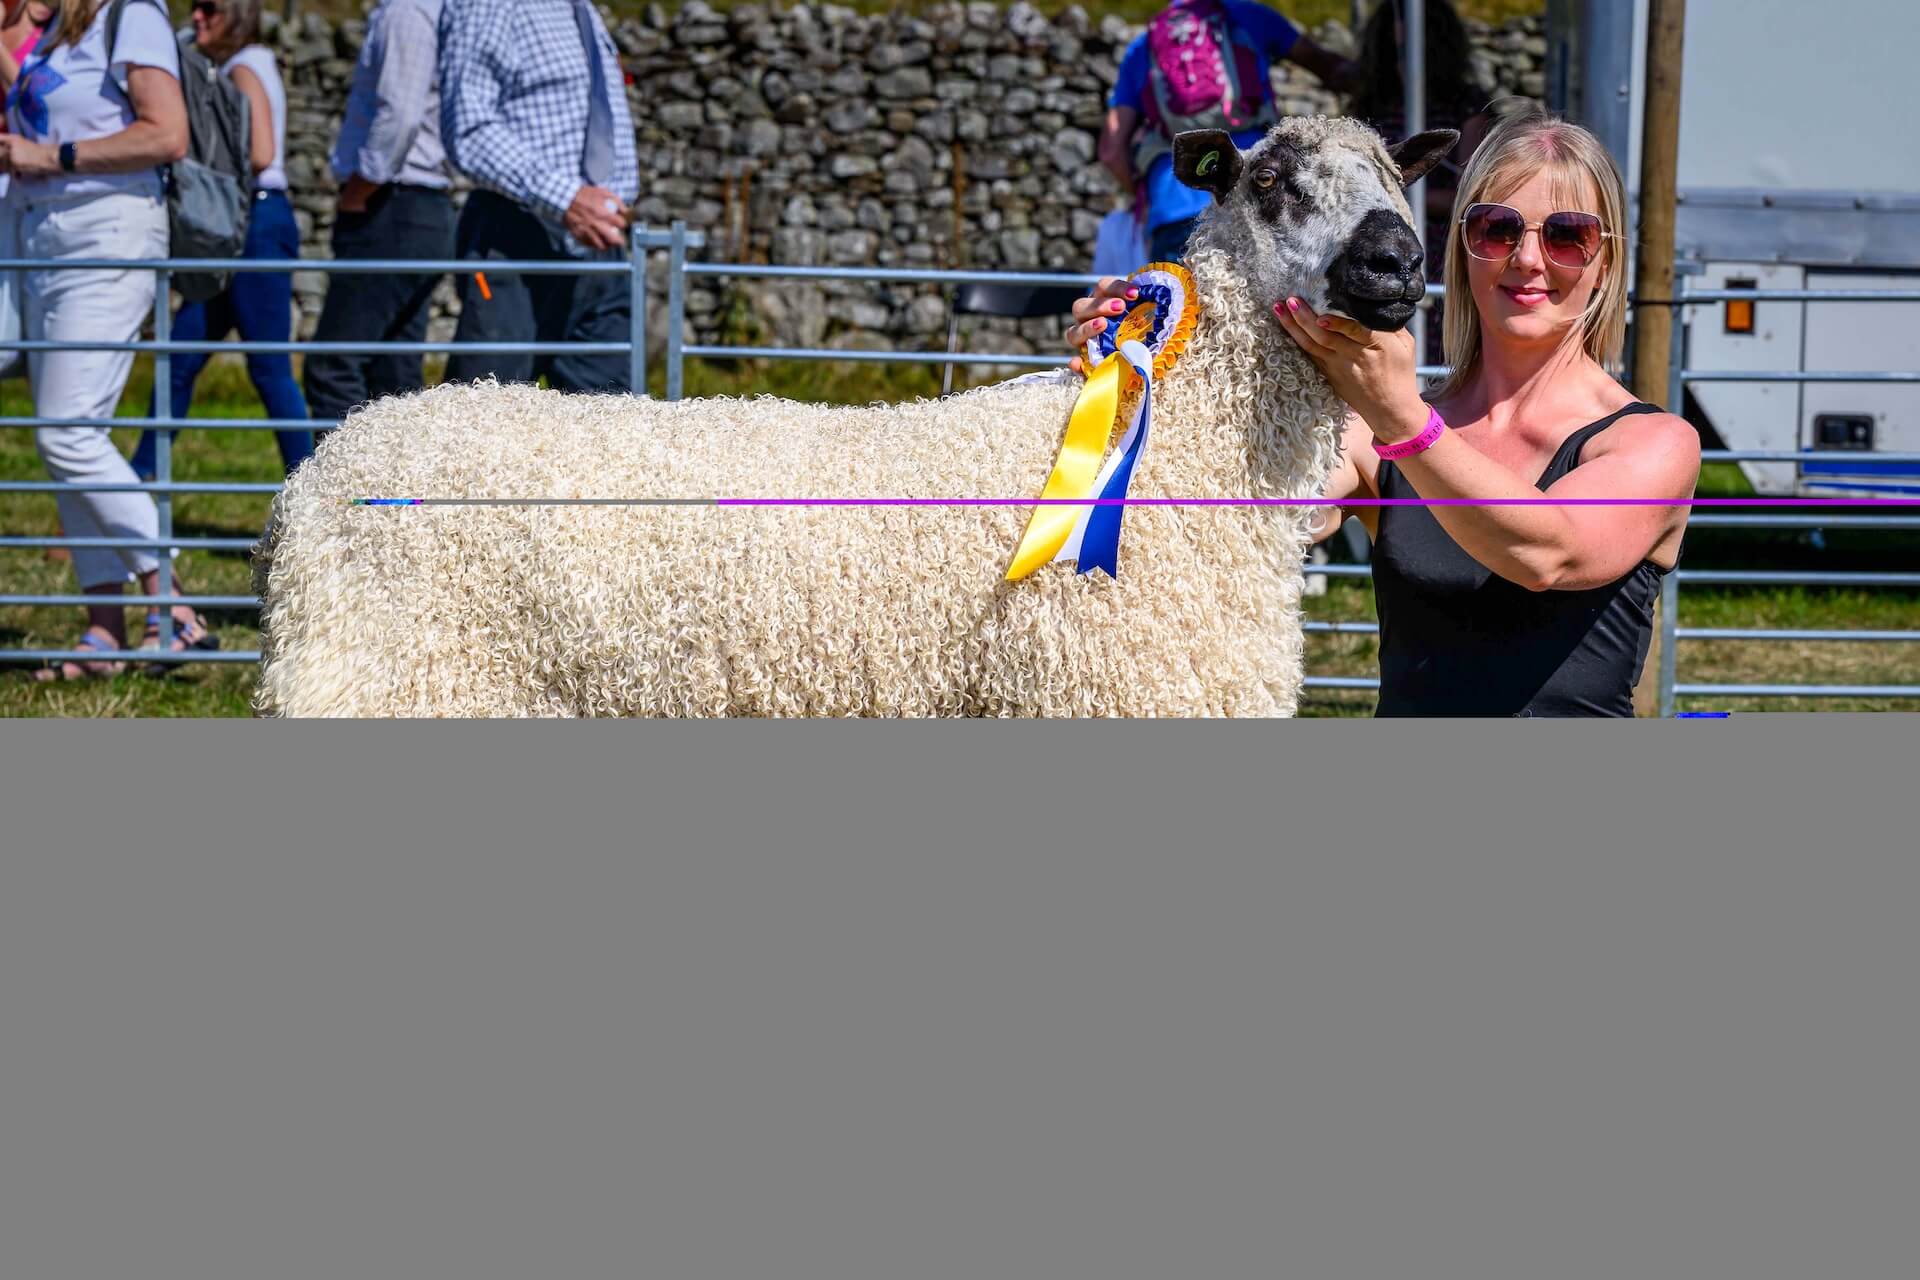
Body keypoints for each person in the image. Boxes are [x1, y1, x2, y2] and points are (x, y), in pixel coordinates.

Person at [1066, 105, 1702, 717]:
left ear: (1606, 260)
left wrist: (1404, 420)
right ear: (1462, 247)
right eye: (1497, 229)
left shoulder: (1654, 444)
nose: (1529, 259)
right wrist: (1142, 359)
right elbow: (1221, 509)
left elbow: (1546, 555)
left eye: (1568, 235)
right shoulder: (1371, 434)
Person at [2, 0, 219, 679]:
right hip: (42, 241)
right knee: (69, 437)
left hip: (105, 238)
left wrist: (50, 156)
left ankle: (173, 608)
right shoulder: (55, 35)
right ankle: (105, 629)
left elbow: (167, 134)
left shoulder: (131, 16)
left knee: (66, 432)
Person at [131, 0, 312, 481]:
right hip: (241, 222)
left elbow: (261, 152)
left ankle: (314, 489)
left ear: (236, 13)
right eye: (195, 8)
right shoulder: (242, 64)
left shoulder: (245, 66)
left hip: (254, 220)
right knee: (181, 359)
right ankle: (140, 477)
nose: (197, 17)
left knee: (268, 369)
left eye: (209, 9)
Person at [436, 0, 639, 393]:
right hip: (517, 238)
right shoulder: (492, 5)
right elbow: (468, 127)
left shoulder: (580, 9)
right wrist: (567, 200)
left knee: (610, 421)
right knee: (488, 417)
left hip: (600, 247)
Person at [1100, 1, 1357, 264]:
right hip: (1257, 197)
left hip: (1174, 209)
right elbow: (1332, 69)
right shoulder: (1250, 16)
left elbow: (1111, 152)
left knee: (1178, 289)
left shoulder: (1144, 46)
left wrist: (1143, 197)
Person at [302, 0, 450, 436]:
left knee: (333, 366)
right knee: (394, 376)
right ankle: (396, 480)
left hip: (392, 204)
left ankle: (343, 481)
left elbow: (400, 115)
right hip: (412, 205)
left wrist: (360, 187)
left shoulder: (406, 12)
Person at [1346, 0, 1493, 362]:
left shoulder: (1466, 106)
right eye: (1394, 50)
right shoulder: (1372, 104)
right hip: (1380, 236)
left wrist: (1401, 199)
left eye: (1410, 50)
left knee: (1443, 338)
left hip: (1441, 240)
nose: (1402, 60)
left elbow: (1471, 195)